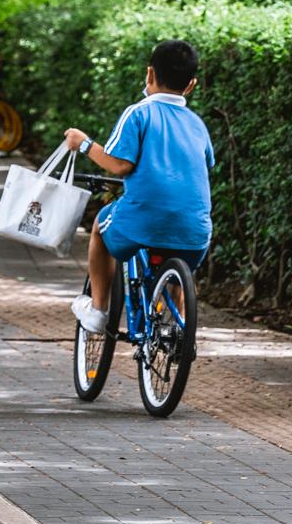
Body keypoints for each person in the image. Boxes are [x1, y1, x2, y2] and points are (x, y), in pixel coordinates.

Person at [62, 39, 214, 333]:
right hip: (196, 233)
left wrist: (84, 145)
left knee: (99, 225)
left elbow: (120, 164)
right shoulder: (197, 124)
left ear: (149, 75)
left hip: (143, 221)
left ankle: (97, 310)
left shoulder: (139, 113)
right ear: (191, 85)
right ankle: (178, 331)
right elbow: (203, 165)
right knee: (177, 262)